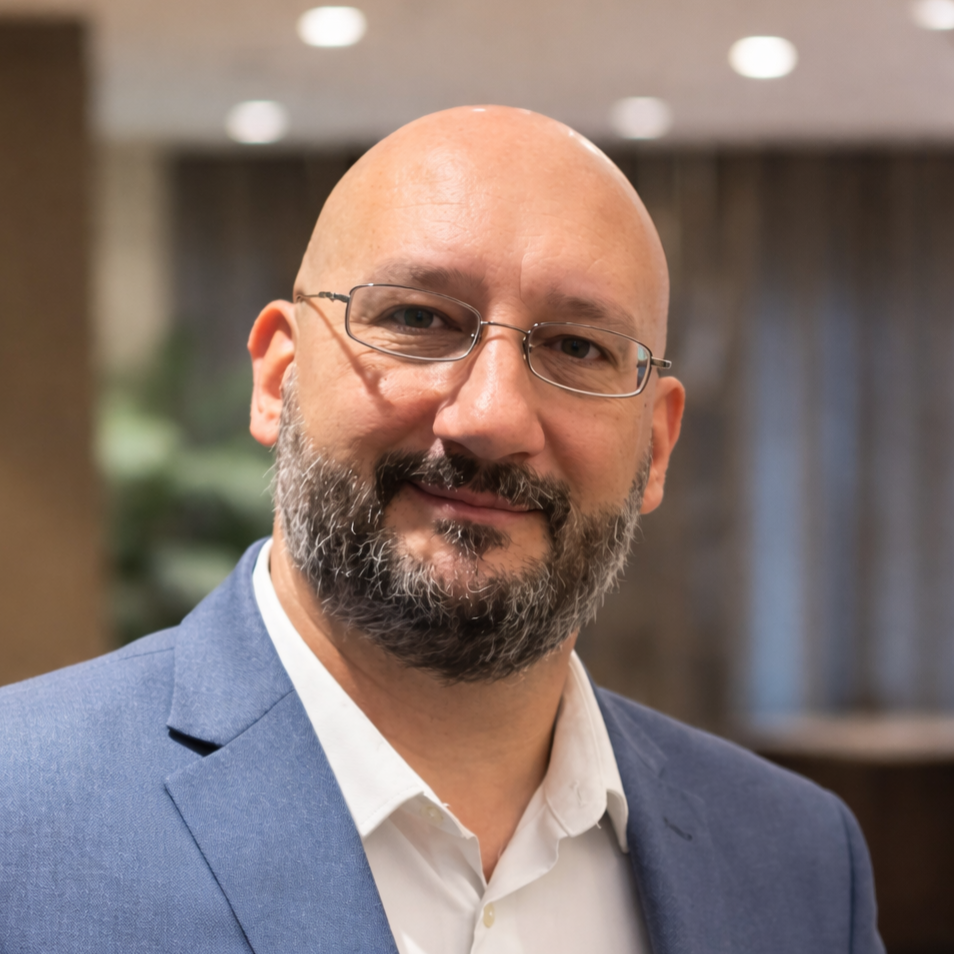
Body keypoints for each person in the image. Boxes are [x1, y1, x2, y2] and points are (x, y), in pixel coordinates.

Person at [0, 106, 883, 953]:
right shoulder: (23, 813)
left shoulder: (799, 866)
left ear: (654, 446)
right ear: (278, 378)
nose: (493, 417)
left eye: (578, 347)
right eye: (418, 319)